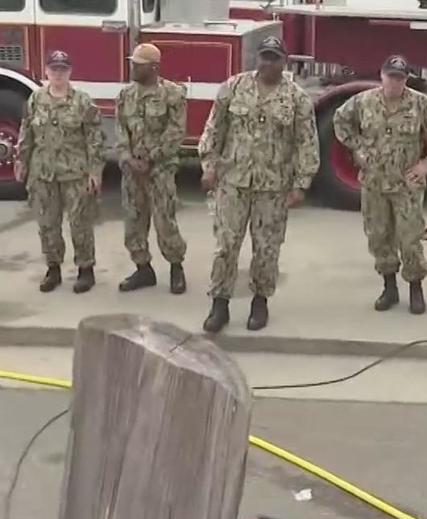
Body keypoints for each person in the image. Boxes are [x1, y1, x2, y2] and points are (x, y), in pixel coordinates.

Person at [198, 36, 319, 333]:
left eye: (274, 58)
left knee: (266, 249)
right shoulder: (234, 87)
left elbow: (308, 143)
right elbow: (214, 128)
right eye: (264, 56)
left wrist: (301, 184)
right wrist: (209, 166)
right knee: (226, 245)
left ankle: (260, 302)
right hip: (233, 182)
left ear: (284, 62)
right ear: (257, 59)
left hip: (273, 187)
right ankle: (219, 304)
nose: (268, 62)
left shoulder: (296, 98)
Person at [333, 54, 427, 315]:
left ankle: (415, 289)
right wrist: (356, 147)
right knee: (379, 238)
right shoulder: (363, 102)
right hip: (374, 184)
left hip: (406, 187)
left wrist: (426, 165)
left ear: (406, 79)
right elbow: (340, 121)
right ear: (382, 76)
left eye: (400, 78)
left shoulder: (420, 105)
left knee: (410, 240)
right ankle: (389, 288)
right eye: (391, 77)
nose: (394, 83)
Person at [16, 50, 104, 294]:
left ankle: (85, 270)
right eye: (54, 69)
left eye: (62, 69)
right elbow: (27, 133)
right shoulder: (36, 100)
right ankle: (53, 268)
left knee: (80, 224)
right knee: (47, 224)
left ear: (70, 72)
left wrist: (95, 171)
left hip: (74, 173)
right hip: (42, 173)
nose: (58, 74)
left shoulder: (83, 102)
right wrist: (22, 160)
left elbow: (94, 138)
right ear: (46, 71)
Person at [114, 43, 189, 295]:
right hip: (132, 171)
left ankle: (176, 267)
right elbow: (120, 130)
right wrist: (127, 157)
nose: (132, 67)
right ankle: (143, 269)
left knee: (164, 220)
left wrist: (151, 158)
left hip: (160, 170)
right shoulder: (125, 95)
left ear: (154, 67)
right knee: (134, 221)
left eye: (138, 64)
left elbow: (176, 131)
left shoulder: (173, 94)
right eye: (132, 62)